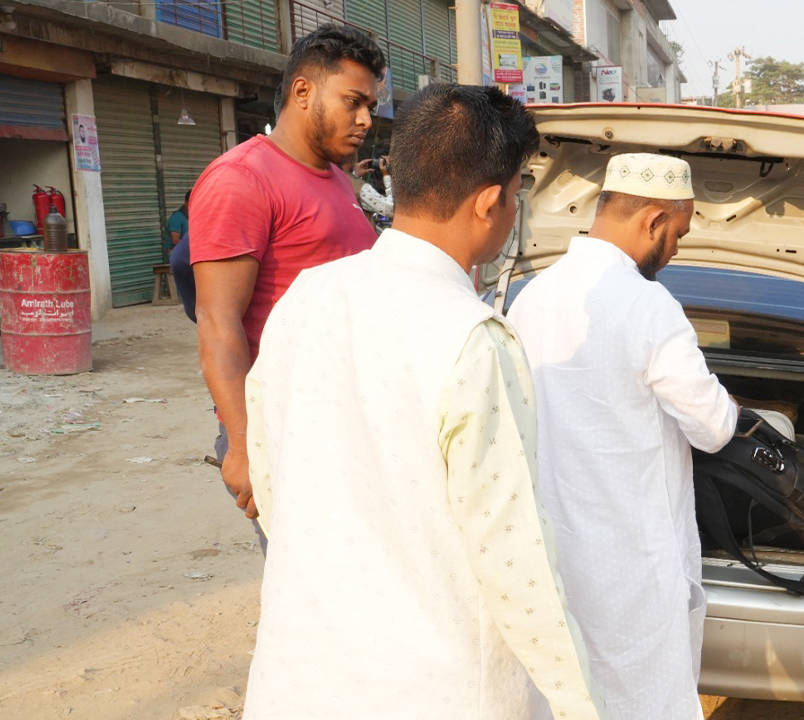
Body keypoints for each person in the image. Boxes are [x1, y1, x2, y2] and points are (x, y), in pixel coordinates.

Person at [240, 83, 608, 720]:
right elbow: (516, 559)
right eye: (518, 193)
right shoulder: (472, 339)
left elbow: (270, 475)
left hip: (301, 678)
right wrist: (583, 705)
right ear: (491, 202)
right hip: (437, 689)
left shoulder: (308, 296)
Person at [507, 153, 738, 720]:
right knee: (642, 700)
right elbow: (711, 428)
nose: (677, 249)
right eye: (678, 234)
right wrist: (730, 404)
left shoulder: (531, 296)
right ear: (654, 221)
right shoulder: (647, 303)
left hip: (553, 552)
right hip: (632, 566)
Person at [188, 24, 384, 543]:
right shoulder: (241, 180)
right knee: (310, 597)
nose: (366, 119)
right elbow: (217, 320)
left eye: (371, 105)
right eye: (354, 101)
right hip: (283, 427)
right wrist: (244, 443)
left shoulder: (340, 181)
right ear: (303, 91)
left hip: (343, 419)